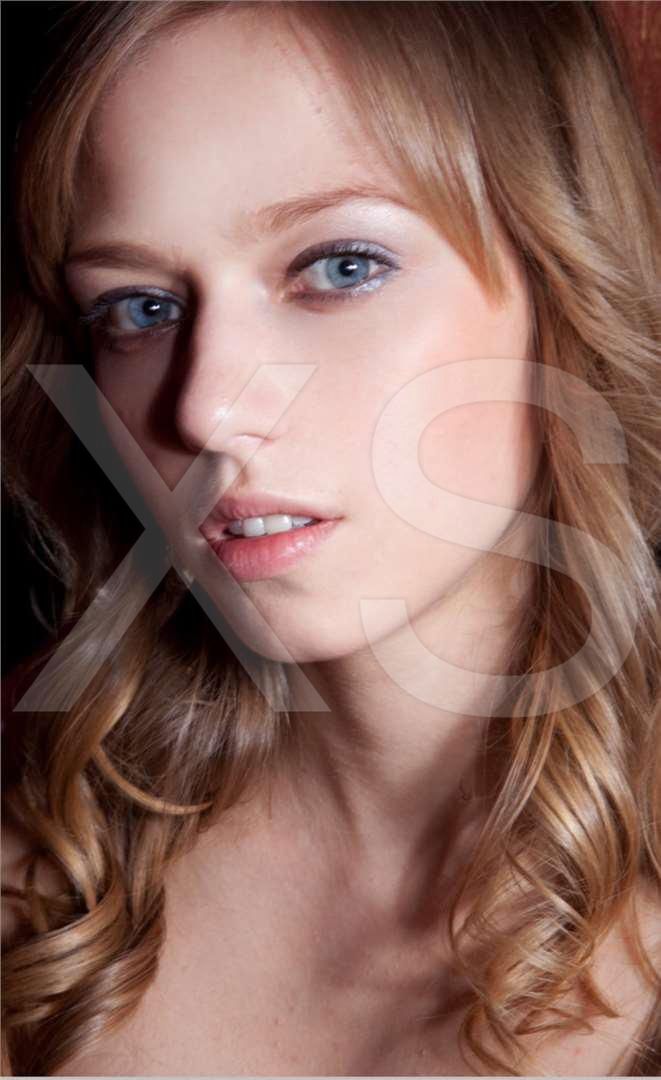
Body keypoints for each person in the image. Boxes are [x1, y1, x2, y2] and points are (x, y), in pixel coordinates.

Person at [2, 1, 660, 1075]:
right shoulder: (48, 888)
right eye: (138, 311)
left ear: (561, 279)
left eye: (340, 267)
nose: (203, 410)